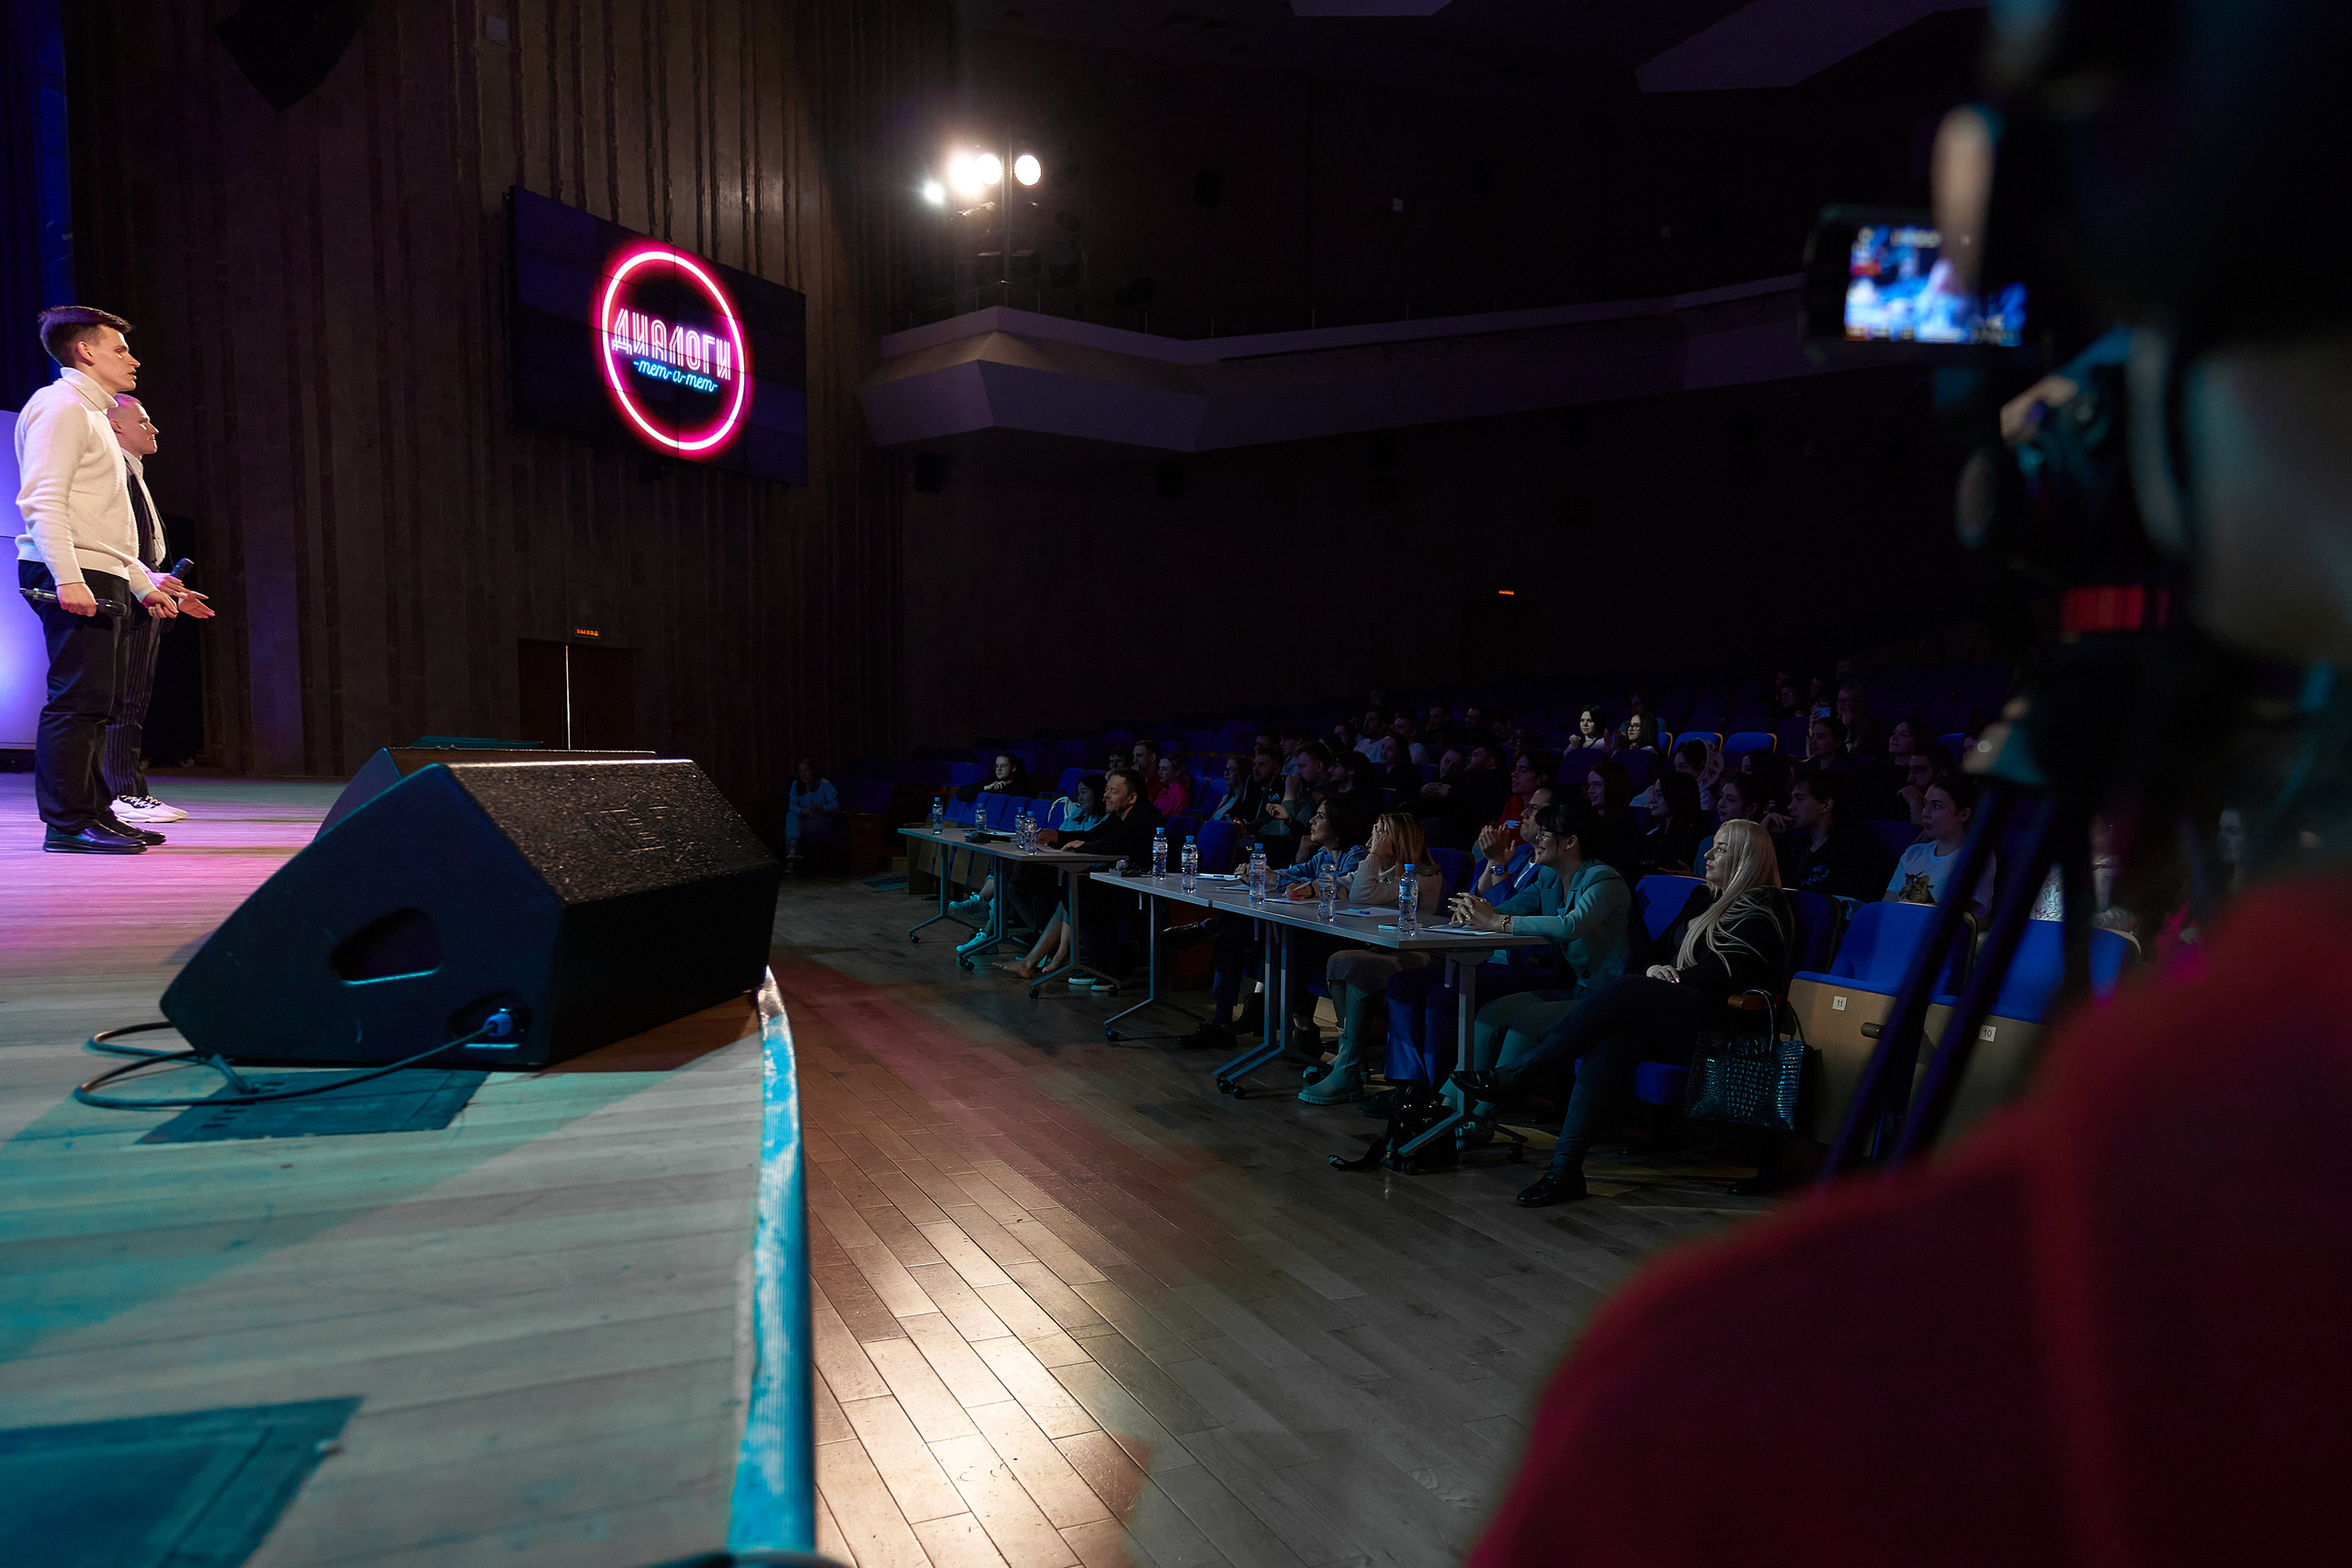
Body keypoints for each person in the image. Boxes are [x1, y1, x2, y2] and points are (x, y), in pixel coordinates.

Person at [1455, 818, 1791, 1208]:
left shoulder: (1766, 905)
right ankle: (1564, 1171)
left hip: (1722, 1022)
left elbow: (1731, 972)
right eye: (1711, 845)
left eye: (1722, 848)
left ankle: (1520, 1074)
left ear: (1747, 859)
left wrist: (1672, 977)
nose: (1708, 854)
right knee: (1611, 1046)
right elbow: (1655, 952)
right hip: (1676, 1014)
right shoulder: (1704, 897)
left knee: (1627, 989)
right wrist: (1655, 970)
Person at [14, 306, 184, 853]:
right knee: (77, 702)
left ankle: (93, 812)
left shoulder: (92, 416)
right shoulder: (60, 406)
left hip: (98, 569)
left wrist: (142, 583)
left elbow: (105, 527)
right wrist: (68, 578)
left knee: (98, 704)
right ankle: (66, 822)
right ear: (85, 351)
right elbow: (43, 501)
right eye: (119, 349)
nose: (132, 360)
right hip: (71, 570)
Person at [1441, 799, 1633, 1145]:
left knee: (1527, 1019)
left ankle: (1479, 1118)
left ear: (1570, 841)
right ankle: (1445, 1107)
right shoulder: (1547, 877)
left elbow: (1570, 925)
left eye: (1544, 833)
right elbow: (1506, 909)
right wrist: (1475, 911)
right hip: (1575, 991)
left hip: (1610, 998)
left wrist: (1497, 921)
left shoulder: (1604, 879)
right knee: (1490, 1013)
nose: (1535, 840)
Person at [1182, 794, 1374, 1051]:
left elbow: (1331, 888)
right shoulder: (1323, 857)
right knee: (1237, 929)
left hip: (1337, 937)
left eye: (1320, 816)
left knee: (1246, 933)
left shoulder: (1356, 856)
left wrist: (1276, 881)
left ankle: (1211, 933)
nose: (1312, 821)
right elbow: (1294, 874)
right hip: (1307, 928)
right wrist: (1263, 872)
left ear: (1340, 823)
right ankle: (1224, 1017)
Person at [101, 395, 211, 823]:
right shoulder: (112, 474)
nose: (154, 428)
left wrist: (172, 591)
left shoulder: (134, 473)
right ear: (115, 427)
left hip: (142, 595)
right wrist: (147, 579)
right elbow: (112, 544)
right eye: (143, 421)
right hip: (124, 595)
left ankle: (124, 791)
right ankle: (122, 793)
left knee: (134, 700)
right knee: (122, 700)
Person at [1299, 811, 1449, 1104]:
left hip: (1420, 955)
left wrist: (1374, 853)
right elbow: (1345, 884)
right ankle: (1350, 1058)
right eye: (1375, 832)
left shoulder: (1424, 875)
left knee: (1354, 964)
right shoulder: (1383, 870)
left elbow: (1363, 894)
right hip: (1384, 951)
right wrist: (1311, 888)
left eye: (1382, 833)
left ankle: (1349, 1067)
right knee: (1340, 960)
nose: (1375, 838)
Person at [1771, 766, 1896, 903]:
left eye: (1799, 799)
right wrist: (1767, 836)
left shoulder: (1857, 847)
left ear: (1826, 804)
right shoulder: (1792, 844)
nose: (1790, 807)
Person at [1885, 774, 1996, 918]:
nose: (1926, 813)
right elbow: (1887, 906)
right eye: (1925, 804)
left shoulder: (1976, 856)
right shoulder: (1913, 853)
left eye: (1937, 806)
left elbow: (1963, 914)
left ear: (1963, 815)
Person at [1633, 772, 1709, 877]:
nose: (1652, 800)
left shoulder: (1693, 835)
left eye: (1659, 794)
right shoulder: (1652, 826)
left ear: (1676, 796)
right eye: (1654, 794)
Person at [783, 758, 840, 872]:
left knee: (793, 827)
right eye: (800, 771)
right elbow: (792, 806)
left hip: (821, 819)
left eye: (806, 771)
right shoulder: (796, 784)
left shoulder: (824, 784)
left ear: (812, 771)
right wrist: (802, 811)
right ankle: (794, 853)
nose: (803, 775)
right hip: (804, 816)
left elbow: (835, 805)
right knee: (791, 816)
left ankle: (793, 856)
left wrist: (821, 808)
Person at [1207, 753, 1268, 824]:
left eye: (1231, 769)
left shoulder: (1247, 801)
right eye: (1226, 769)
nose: (1226, 773)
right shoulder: (1226, 798)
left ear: (1241, 772)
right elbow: (1211, 820)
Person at [1151, 753, 1192, 817]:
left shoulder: (1180, 793)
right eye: (1159, 768)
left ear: (1176, 772)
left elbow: (1177, 821)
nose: (1159, 772)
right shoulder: (1164, 790)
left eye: (1164, 769)